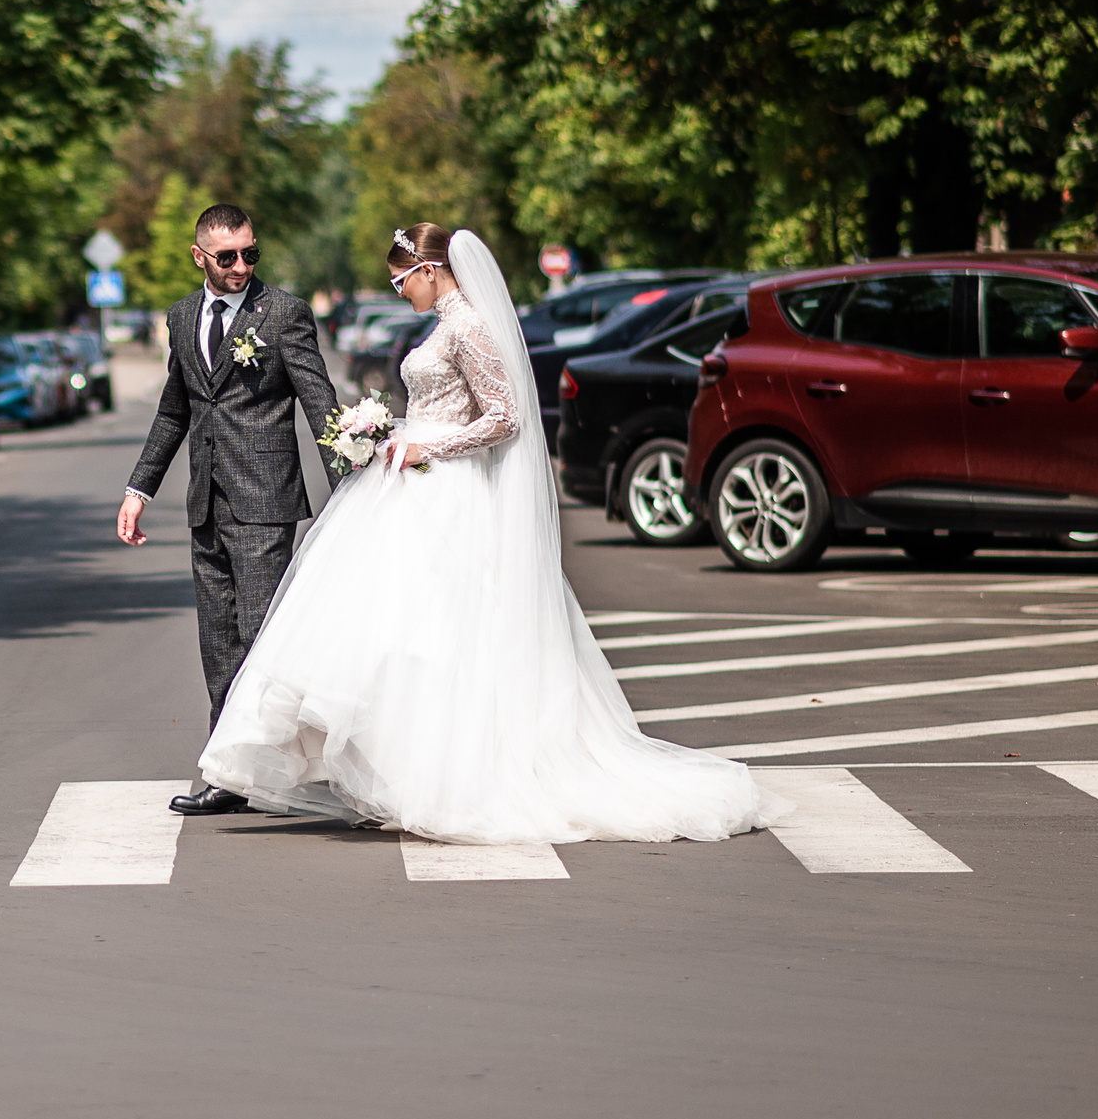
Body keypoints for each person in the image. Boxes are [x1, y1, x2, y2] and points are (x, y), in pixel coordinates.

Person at [196, 223, 786, 845]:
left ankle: (451, 774)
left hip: (447, 492)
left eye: (402, 280)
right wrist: (388, 429)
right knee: (397, 640)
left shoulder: (471, 327)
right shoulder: (443, 326)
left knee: (443, 639)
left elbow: (504, 418)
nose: (399, 293)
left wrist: (428, 444)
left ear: (430, 269)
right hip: (411, 485)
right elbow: (444, 401)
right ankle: (397, 772)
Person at [116, 203, 343, 817]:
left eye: (250, 253)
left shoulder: (284, 313)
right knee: (219, 643)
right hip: (205, 504)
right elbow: (175, 410)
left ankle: (325, 762)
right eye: (227, 257)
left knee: (264, 639)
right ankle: (230, 774)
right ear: (200, 258)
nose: (241, 266)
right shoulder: (182, 316)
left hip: (265, 501)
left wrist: (348, 487)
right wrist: (140, 490)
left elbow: (318, 401)